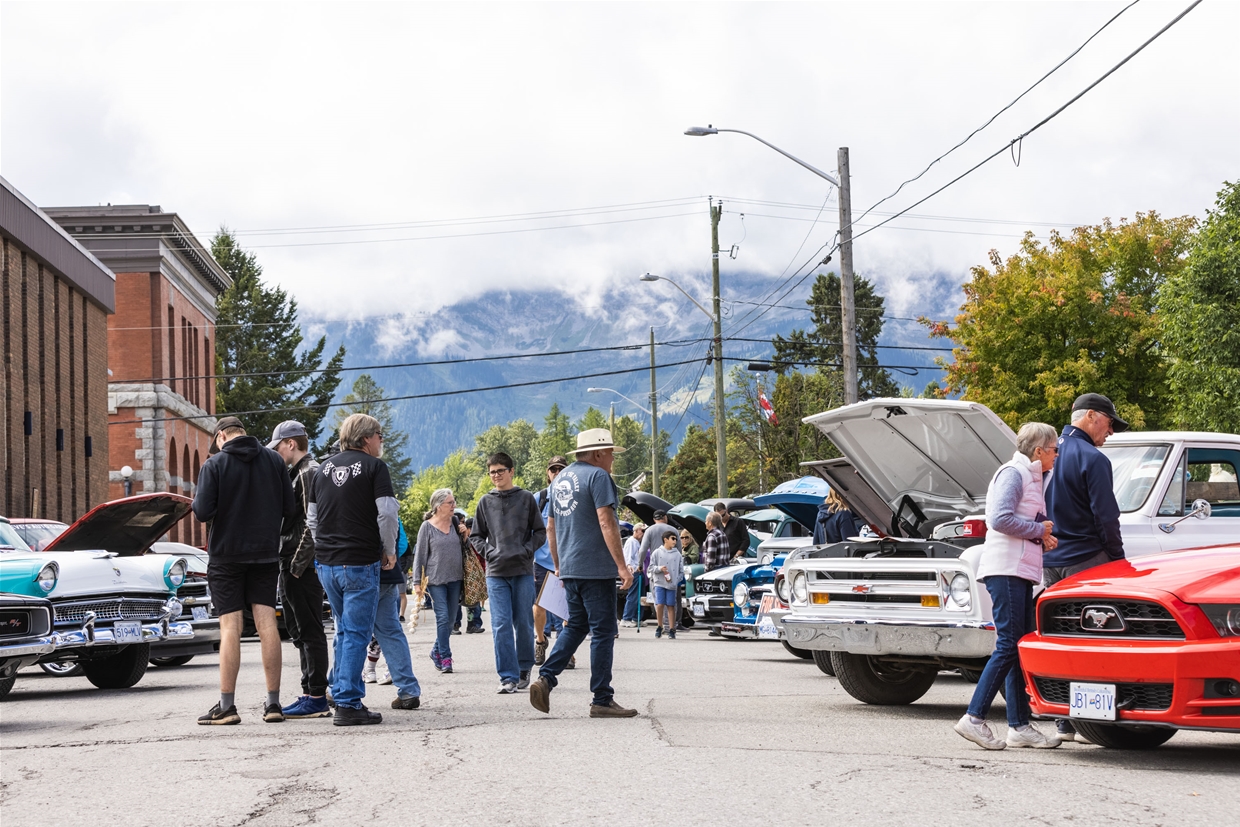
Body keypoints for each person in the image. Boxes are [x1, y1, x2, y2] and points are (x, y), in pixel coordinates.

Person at [954, 423, 1062, 751]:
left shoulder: (1030, 474)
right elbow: (999, 519)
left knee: (1017, 647)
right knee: (1008, 645)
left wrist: (1041, 536)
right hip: (1006, 570)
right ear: (1039, 450)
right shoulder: (1014, 473)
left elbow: (1017, 520)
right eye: (1054, 449)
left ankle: (1019, 726)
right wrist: (1038, 530)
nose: (1057, 455)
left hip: (1017, 570)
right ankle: (974, 718)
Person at [193, 416, 296, 725]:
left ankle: (227, 707)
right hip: (265, 554)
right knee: (267, 625)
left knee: (230, 628)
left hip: (226, 556)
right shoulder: (274, 461)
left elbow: (202, 511)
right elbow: (289, 509)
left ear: (221, 436)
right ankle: (273, 703)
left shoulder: (214, 465)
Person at [529, 428, 638, 718]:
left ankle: (546, 678)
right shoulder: (599, 477)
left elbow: (550, 527)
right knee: (603, 631)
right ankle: (602, 698)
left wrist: (558, 564)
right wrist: (622, 566)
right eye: (611, 453)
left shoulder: (560, 480)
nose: (613, 459)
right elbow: (606, 522)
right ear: (598, 453)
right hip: (595, 568)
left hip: (570, 567)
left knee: (576, 625)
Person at [1043, 392, 1129, 742]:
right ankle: (1088, 719)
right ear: (1091, 415)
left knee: (1059, 639)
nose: (1110, 432)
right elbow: (1106, 516)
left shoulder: (1045, 454)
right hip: (1086, 560)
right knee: (1095, 640)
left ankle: (1063, 719)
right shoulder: (1093, 458)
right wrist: (1117, 558)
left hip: (1049, 560)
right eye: (1109, 423)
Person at [308, 413, 399, 726]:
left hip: (327, 564)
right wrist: (389, 550)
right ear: (366, 438)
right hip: (360, 561)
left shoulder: (322, 470)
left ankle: (340, 691)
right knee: (358, 633)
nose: (381, 440)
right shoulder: (375, 467)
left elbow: (312, 519)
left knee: (344, 630)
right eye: (379, 435)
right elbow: (387, 514)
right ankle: (348, 702)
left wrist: (325, 547)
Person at [268, 421, 331, 721]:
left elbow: (312, 524)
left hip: (300, 565)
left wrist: (295, 566)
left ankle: (316, 696)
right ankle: (309, 692)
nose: (277, 453)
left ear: (291, 444)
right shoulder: (300, 472)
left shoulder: (308, 472)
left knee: (309, 630)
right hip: (294, 563)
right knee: (299, 631)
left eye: (278, 446)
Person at [472, 451, 547, 694]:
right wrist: (489, 553)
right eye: (492, 472)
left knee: (523, 622)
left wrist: (526, 550)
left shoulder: (526, 498)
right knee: (500, 624)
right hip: (495, 572)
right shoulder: (485, 502)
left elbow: (540, 532)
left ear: (511, 471)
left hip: (522, 570)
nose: (496, 475)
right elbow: (475, 536)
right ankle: (507, 676)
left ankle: (524, 667)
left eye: (500, 471)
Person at [412, 488, 466, 674]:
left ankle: (436, 650)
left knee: (451, 620)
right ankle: (445, 657)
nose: (454, 505)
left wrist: (465, 535)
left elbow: (465, 549)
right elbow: (420, 556)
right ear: (438, 506)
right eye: (450, 503)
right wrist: (417, 583)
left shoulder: (455, 522)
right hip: (435, 580)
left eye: (454, 502)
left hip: (456, 578)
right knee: (442, 617)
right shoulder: (426, 527)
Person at [533, 458, 573, 668]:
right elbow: (528, 529)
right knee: (539, 607)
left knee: (567, 609)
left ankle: (565, 650)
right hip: (542, 561)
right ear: (547, 473)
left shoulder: (575, 497)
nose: (557, 472)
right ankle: (540, 641)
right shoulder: (539, 498)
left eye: (561, 469)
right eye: (553, 469)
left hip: (568, 561)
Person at [646, 531, 684, 639]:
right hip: (659, 582)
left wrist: (676, 580)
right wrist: (659, 568)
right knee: (660, 604)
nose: (675, 541)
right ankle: (659, 626)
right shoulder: (657, 552)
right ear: (665, 539)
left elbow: (681, 571)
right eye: (673, 538)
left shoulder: (677, 554)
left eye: (676, 539)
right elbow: (651, 567)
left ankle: (672, 628)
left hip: (671, 584)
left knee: (671, 605)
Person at [620, 523, 645, 627]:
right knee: (633, 595)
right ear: (637, 530)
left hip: (639, 571)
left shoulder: (637, 542)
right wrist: (629, 566)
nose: (643, 533)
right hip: (634, 571)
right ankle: (626, 618)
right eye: (642, 531)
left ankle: (636, 618)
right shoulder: (631, 542)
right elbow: (628, 556)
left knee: (640, 595)